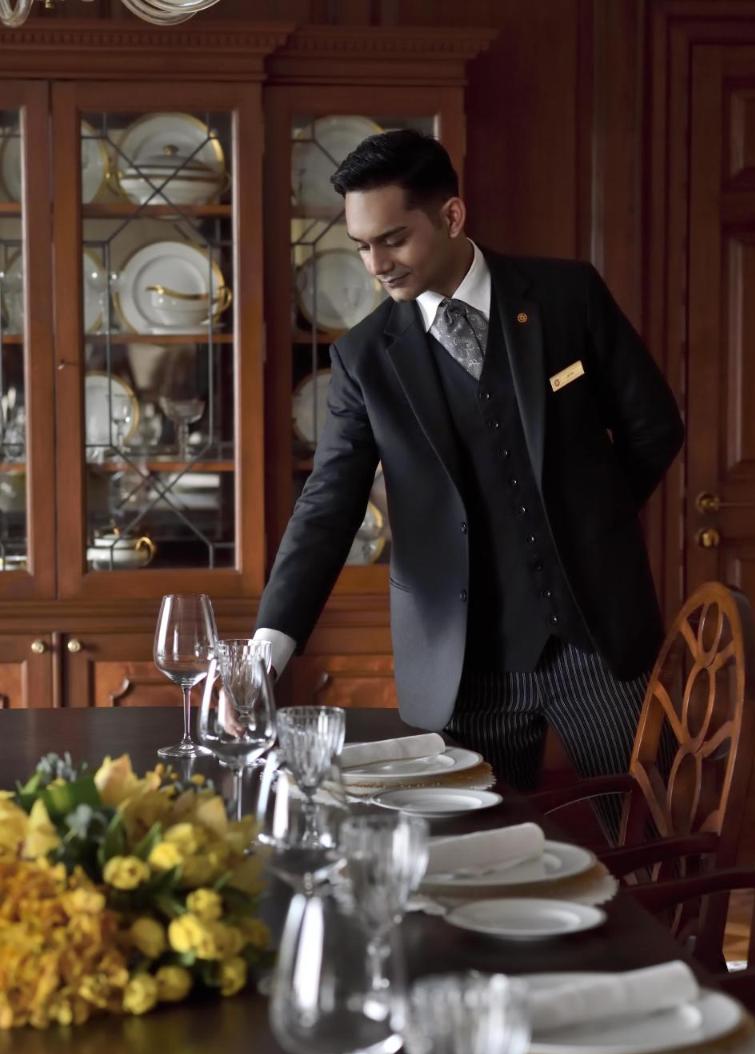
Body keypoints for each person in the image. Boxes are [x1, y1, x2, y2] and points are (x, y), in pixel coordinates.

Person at [255, 129, 683, 830]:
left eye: (392, 239)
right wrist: (270, 642)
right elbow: (328, 502)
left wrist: (588, 524)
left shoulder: (566, 294)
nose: (376, 266)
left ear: (451, 217)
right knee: (468, 854)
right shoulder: (365, 359)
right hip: (465, 669)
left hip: (595, 642)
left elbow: (654, 427)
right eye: (362, 246)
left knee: (650, 833)